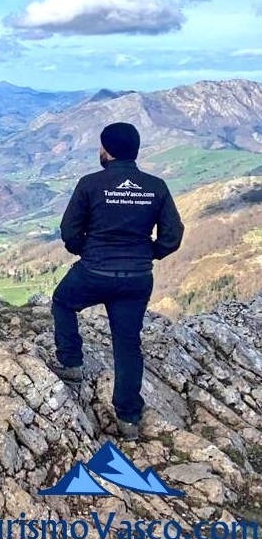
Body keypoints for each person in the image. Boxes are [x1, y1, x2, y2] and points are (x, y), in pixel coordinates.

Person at [49, 122, 184, 441]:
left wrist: (87, 249)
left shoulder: (90, 184)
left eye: (101, 146)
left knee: (63, 302)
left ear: (106, 151)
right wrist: (147, 253)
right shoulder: (156, 186)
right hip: (136, 278)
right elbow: (172, 236)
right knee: (127, 344)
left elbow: (69, 231)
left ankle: (70, 362)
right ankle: (129, 420)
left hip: (94, 272)